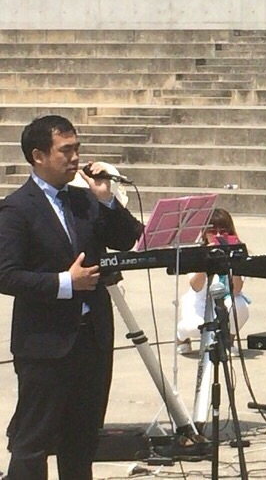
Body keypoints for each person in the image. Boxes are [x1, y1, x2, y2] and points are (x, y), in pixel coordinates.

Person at [0, 115, 142, 479]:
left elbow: (127, 238)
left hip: (92, 339)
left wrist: (106, 200)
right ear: (38, 156)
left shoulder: (84, 200)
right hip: (45, 345)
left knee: (81, 441)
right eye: (65, 150)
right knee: (33, 441)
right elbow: (6, 275)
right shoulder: (17, 208)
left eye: (77, 148)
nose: (75, 158)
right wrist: (65, 283)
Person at [176, 208, 250, 356]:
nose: (218, 235)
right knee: (195, 327)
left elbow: (236, 289)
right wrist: (206, 260)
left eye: (223, 231)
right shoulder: (197, 252)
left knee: (240, 306)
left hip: (225, 297)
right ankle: (181, 337)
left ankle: (228, 341)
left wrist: (234, 261)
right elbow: (196, 286)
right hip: (199, 300)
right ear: (204, 233)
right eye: (213, 231)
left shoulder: (238, 252)